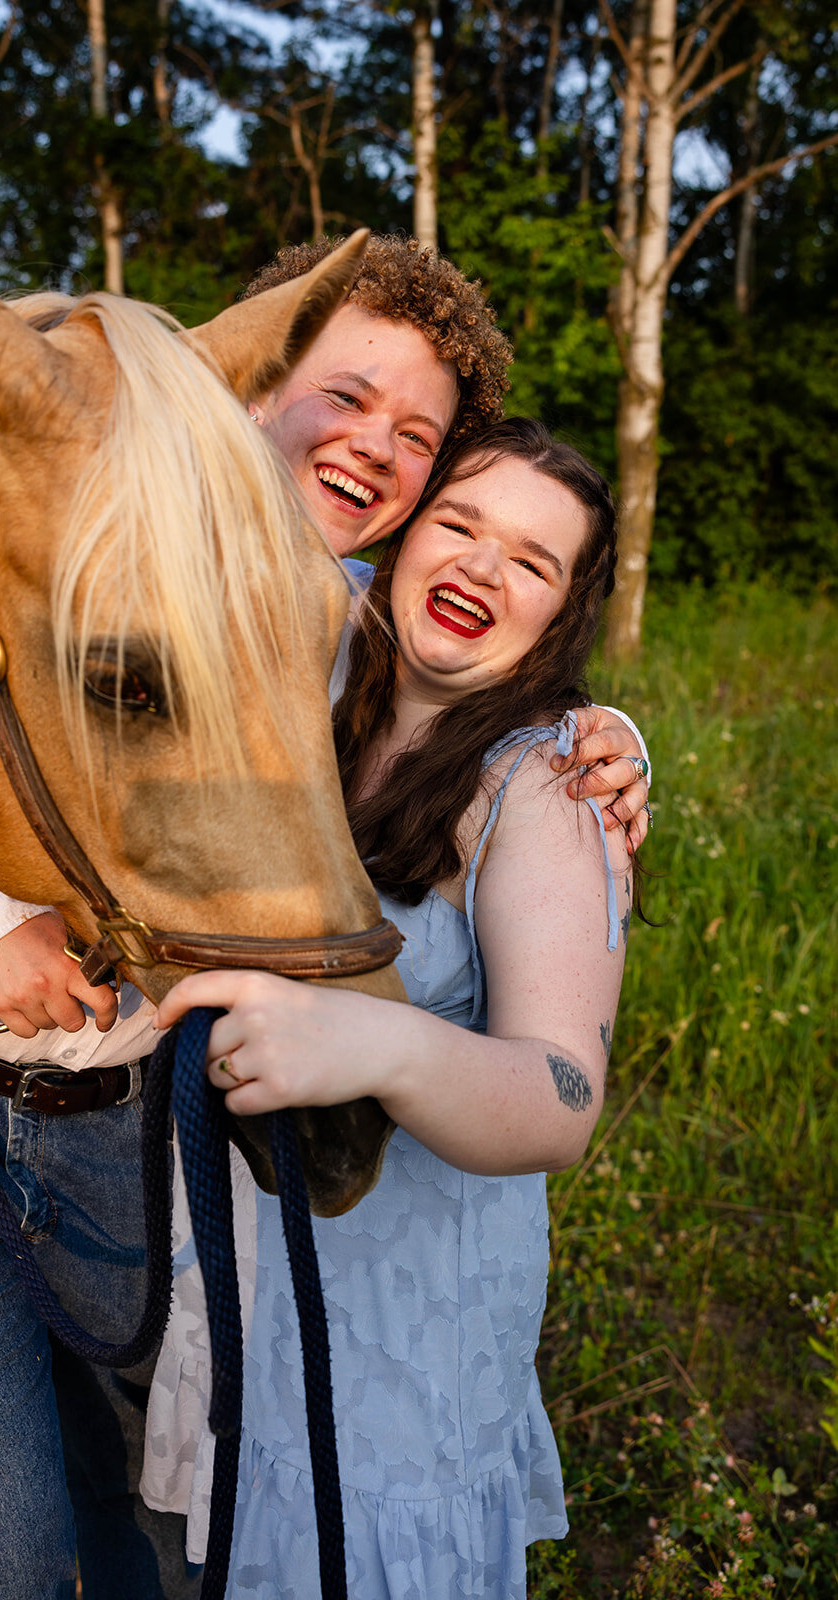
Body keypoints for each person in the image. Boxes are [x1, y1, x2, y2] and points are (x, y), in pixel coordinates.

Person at [0, 241, 647, 1600]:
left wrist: (598, 735)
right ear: (239, 384)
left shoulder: (335, 622)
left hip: (119, 1124)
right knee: (1, 1544)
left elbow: (473, 664)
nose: (373, 447)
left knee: (151, 1520)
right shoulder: (72, 515)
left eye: (416, 438)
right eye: (343, 397)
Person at [145, 416, 630, 1598]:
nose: (477, 566)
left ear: (561, 614)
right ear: (402, 539)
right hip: (235, 1279)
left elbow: (560, 1099)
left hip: (395, 1347)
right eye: (457, 524)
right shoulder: (306, 675)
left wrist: (376, 1042)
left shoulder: (544, 784)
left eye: (529, 559)